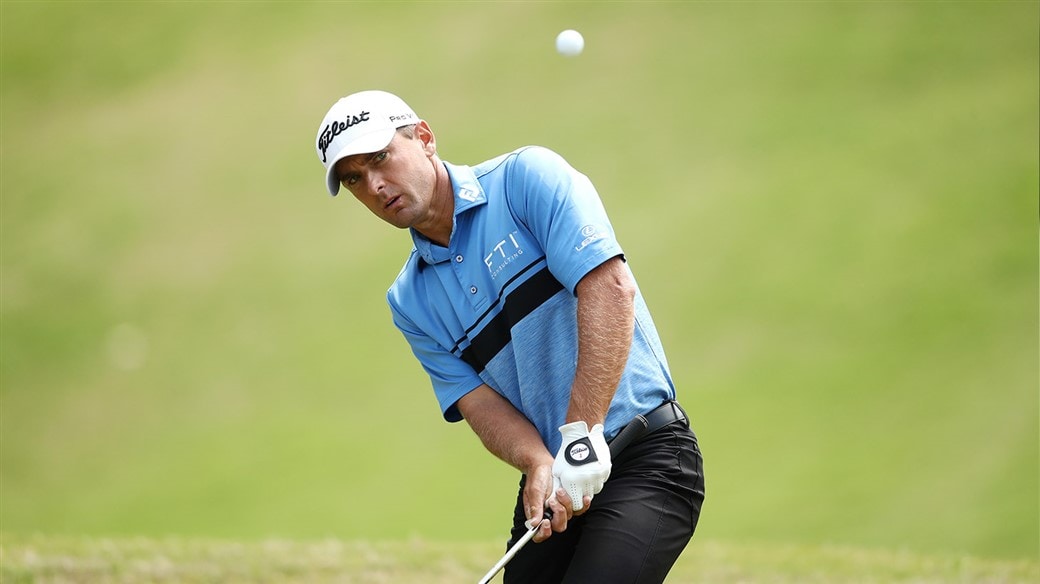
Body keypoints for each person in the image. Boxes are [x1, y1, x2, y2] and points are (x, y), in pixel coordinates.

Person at [314, 90, 705, 583]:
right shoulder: (409, 300)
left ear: (426, 139)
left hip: (647, 456)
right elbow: (479, 405)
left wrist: (580, 437)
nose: (374, 185)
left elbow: (609, 289)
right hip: (556, 480)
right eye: (354, 178)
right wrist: (538, 463)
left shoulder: (526, 180)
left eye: (380, 158)